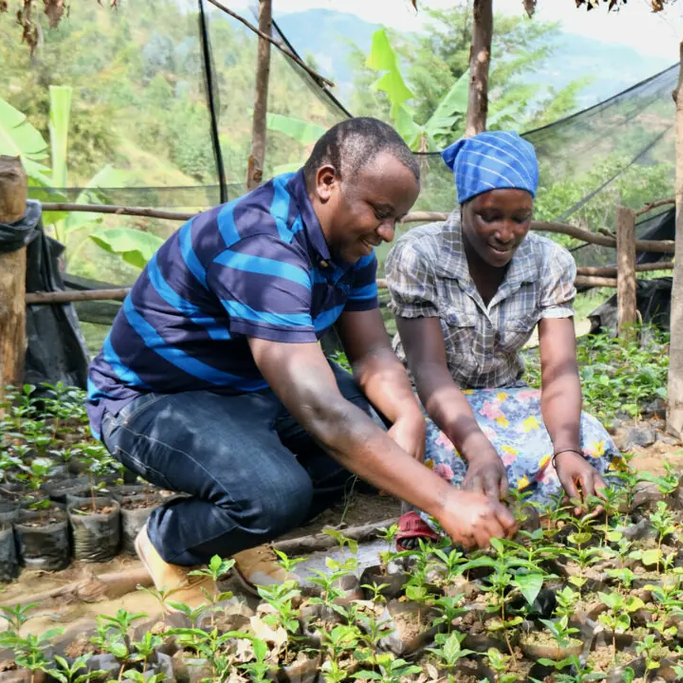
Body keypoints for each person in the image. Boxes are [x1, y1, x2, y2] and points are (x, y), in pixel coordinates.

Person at [85, 118, 518, 607]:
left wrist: (408, 413)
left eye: (396, 217)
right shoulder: (261, 246)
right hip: (151, 400)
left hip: (246, 388)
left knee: (374, 426)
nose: (388, 231)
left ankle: (242, 536)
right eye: (380, 212)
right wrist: (445, 502)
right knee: (276, 494)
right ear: (327, 181)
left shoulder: (347, 249)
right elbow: (320, 411)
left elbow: (372, 352)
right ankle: (170, 541)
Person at [384, 130, 623, 548]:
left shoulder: (550, 262)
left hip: (504, 398)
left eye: (521, 218)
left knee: (588, 438)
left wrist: (567, 450)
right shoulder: (419, 255)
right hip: (429, 402)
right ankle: (451, 510)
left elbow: (560, 372)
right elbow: (429, 371)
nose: (506, 232)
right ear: (463, 206)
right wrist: (477, 450)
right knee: (435, 450)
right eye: (489, 216)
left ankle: (529, 501)